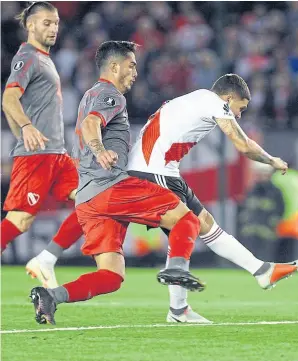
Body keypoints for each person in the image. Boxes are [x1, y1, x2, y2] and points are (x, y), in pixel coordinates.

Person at [30, 40, 205, 325]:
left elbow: (87, 123)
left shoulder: (90, 94)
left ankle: (52, 297)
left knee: (110, 276)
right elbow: (90, 125)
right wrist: (100, 151)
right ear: (114, 67)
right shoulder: (110, 95)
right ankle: (176, 269)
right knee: (187, 219)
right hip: (110, 186)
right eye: (131, 65)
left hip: (88, 200)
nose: (135, 71)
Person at [127, 73, 298, 323]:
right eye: (240, 108)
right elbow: (242, 145)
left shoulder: (193, 99)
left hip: (158, 170)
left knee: (203, 224)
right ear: (229, 97)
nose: (239, 115)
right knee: (186, 226)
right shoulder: (213, 102)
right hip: (153, 171)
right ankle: (182, 307)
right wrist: (272, 160)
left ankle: (257, 273)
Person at [1, 2, 84, 281]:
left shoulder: (45, 58)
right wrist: (25, 128)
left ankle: (46, 260)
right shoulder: (27, 57)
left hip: (57, 154)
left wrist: (22, 132)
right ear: (30, 25)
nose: (53, 28)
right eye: (46, 23)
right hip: (37, 156)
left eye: (56, 22)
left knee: (91, 201)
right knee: (20, 221)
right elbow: (8, 98)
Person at [238, 162, 284, 262]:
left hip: (267, 234)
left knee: (265, 260)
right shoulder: (251, 190)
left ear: (268, 174)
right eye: (258, 174)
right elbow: (244, 209)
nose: (259, 176)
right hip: (250, 234)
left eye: (262, 174)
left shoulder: (275, 192)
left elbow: (280, 210)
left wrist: (273, 222)